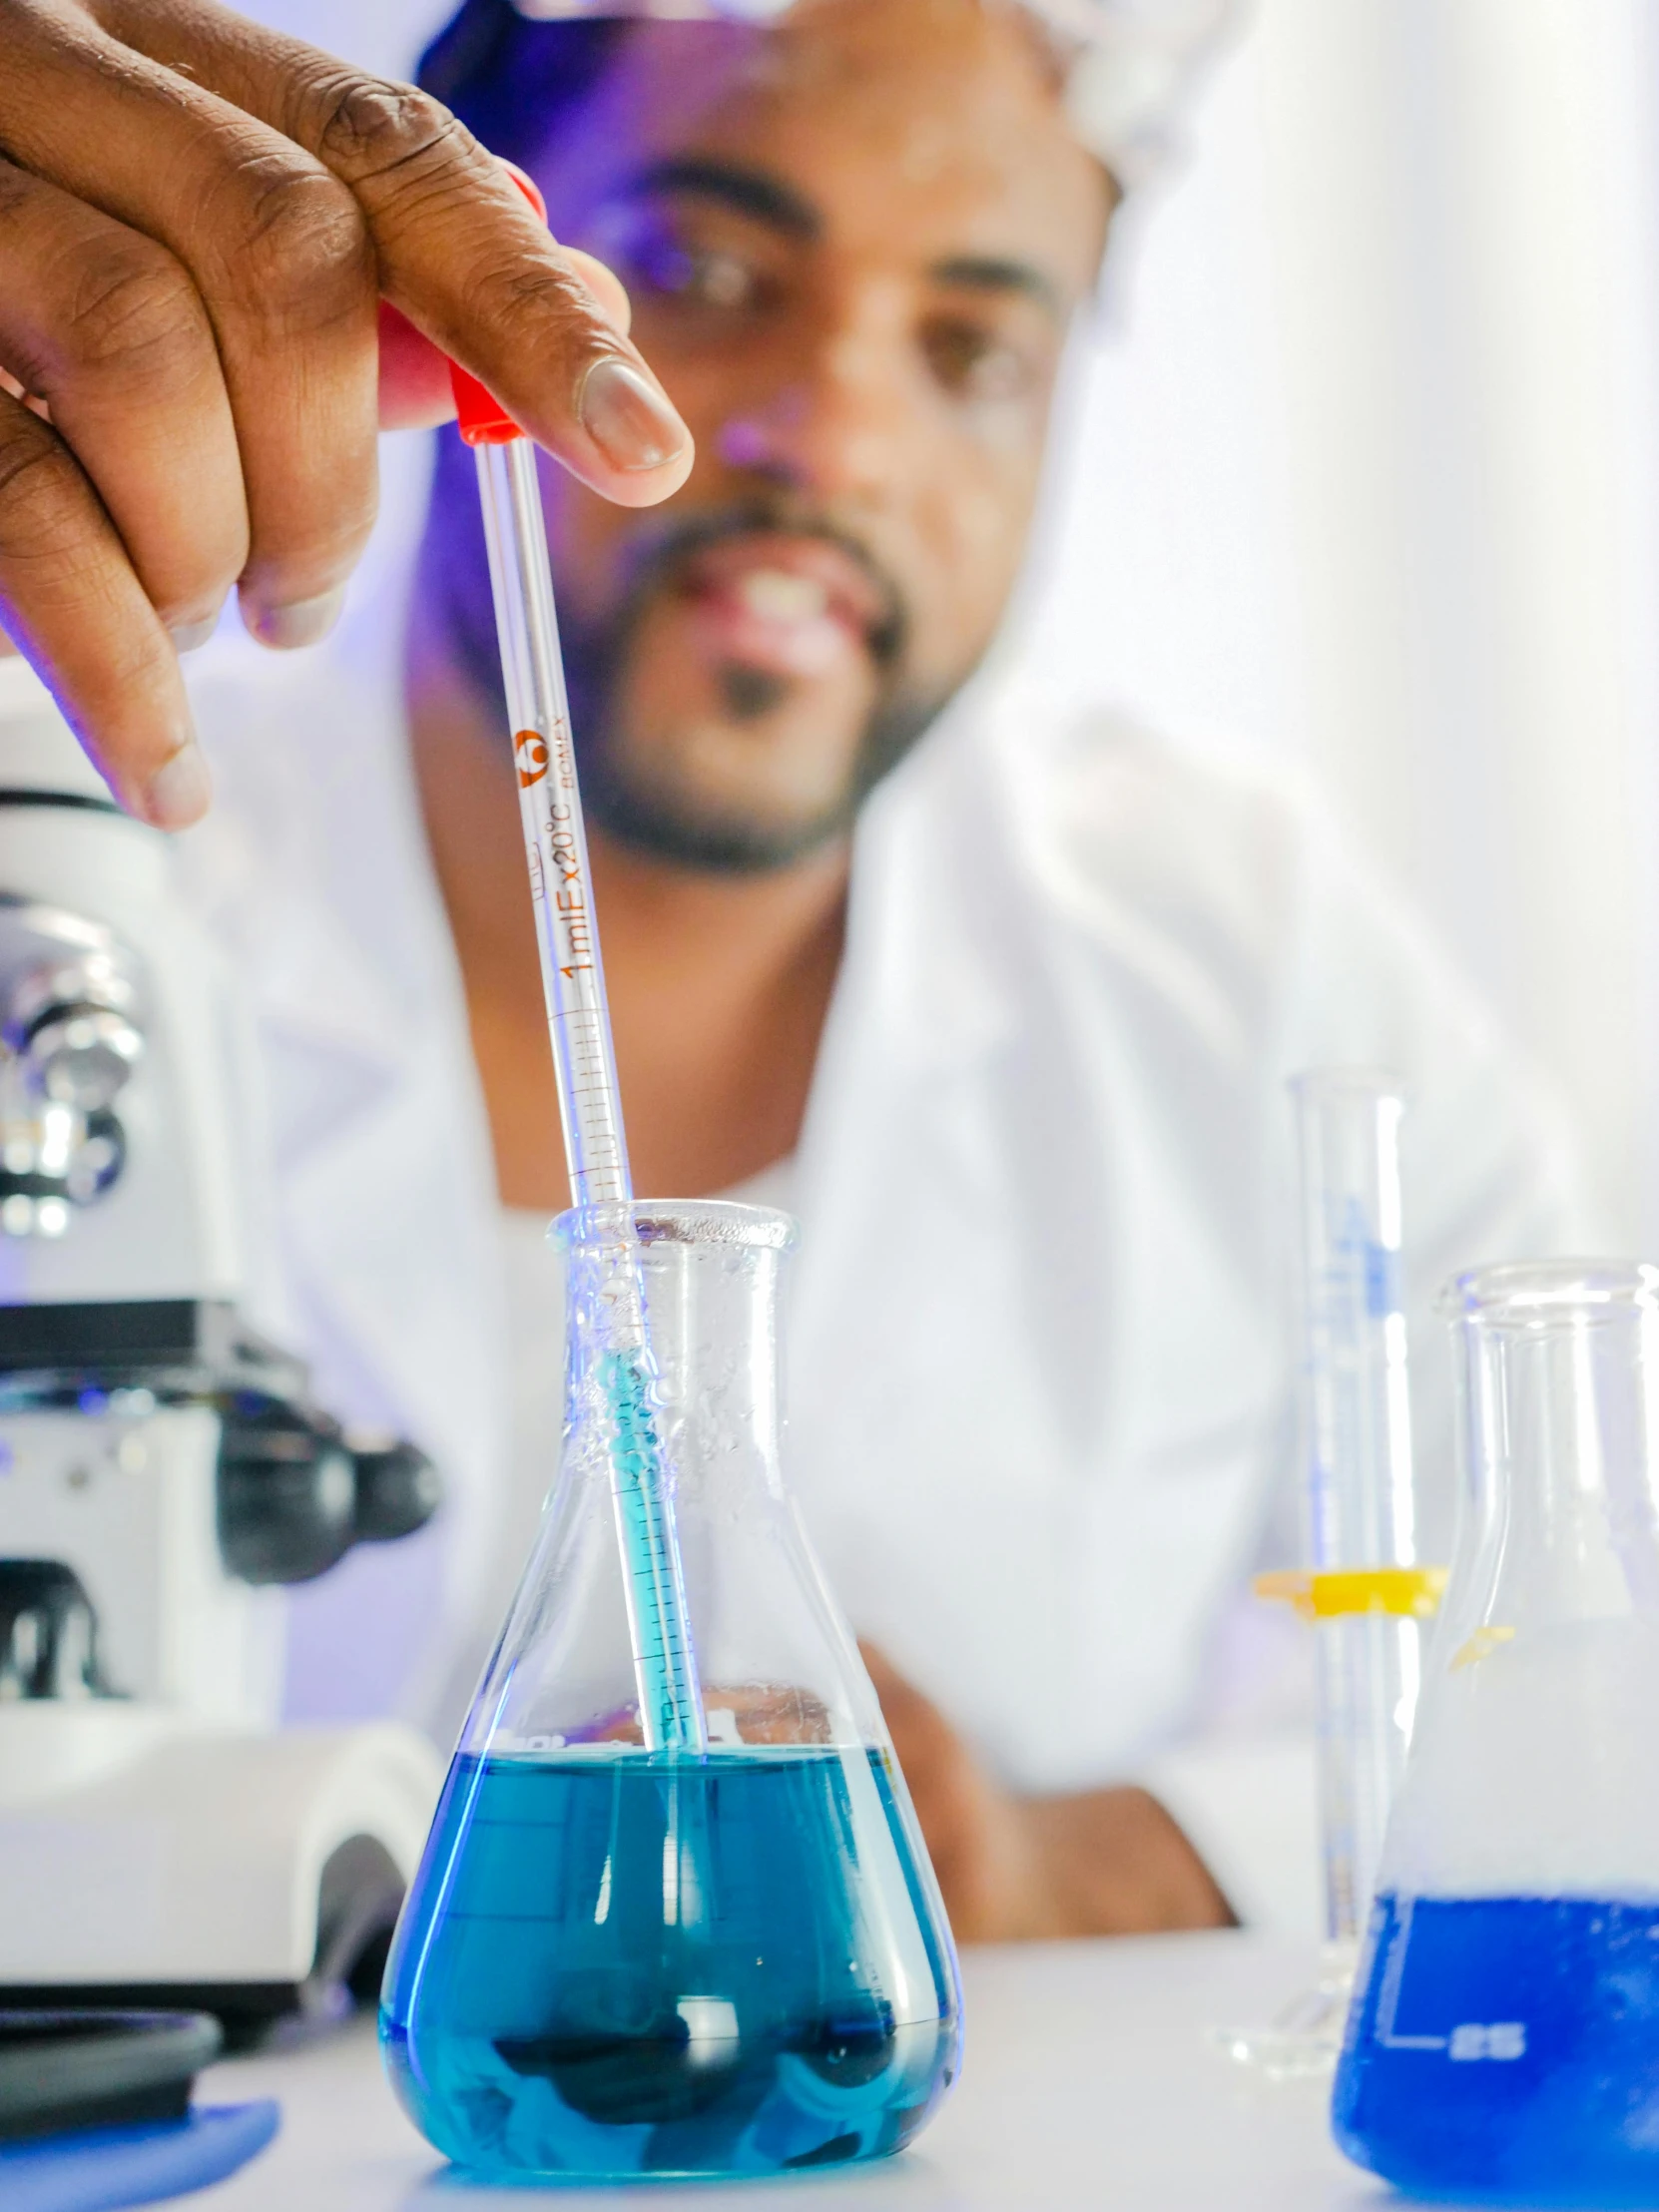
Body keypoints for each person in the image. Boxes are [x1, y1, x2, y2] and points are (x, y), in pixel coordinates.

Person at [0, 0, 1588, 1941]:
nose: (826, 434)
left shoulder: (1240, 957)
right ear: (428, 278)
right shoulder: (78, 875)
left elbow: (1593, 1671)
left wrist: (1044, 1863)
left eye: (971, 346)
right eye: (701, 270)